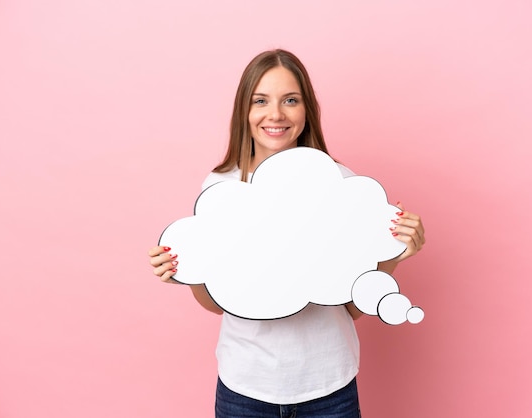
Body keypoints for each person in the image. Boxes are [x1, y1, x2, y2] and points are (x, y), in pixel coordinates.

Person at [148, 49, 425, 418]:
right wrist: (186, 272)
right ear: (243, 112)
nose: (275, 114)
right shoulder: (220, 188)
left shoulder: (341, 182)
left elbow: (352, 306)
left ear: (306, 110)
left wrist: (393, 252)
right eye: (260, 100)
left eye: (290, 100)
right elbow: (216, 303)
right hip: (245, 386)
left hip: (329, 385)